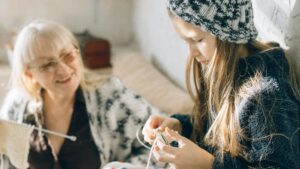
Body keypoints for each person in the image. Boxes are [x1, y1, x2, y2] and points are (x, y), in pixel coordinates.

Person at [142, 0, 300, 168]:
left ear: (228, 32)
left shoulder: (265, 97)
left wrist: (209, 164)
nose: (191, 53)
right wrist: (181, 126)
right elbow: (214, 132)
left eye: (197, 39)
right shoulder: (220, 67)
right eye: (186, 41)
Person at [0, 20, 160, 169]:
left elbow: (162, 142)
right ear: (29, 74)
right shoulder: (16, 108)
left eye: (68, 55)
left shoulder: (110, 96)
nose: (63, 70)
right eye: (48, 64)